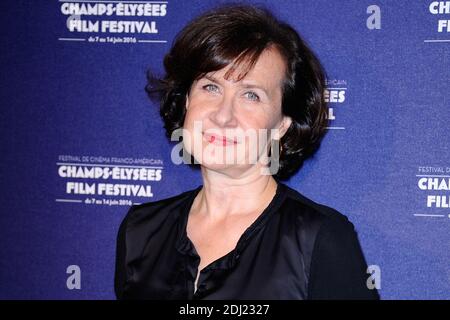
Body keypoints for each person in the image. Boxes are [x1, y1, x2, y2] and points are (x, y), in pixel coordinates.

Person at [114, 3, 380, 300]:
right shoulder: (140, 231)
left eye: (250, 95)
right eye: (210, 87)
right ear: (187, 99)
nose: (223, 115)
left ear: (281, 125)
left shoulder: (319, 238)